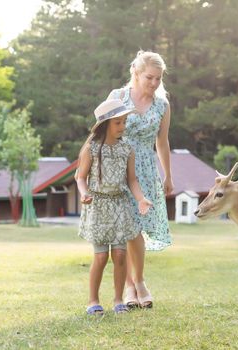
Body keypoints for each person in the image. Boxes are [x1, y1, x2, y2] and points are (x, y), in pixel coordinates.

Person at [107, 50, 173, 309]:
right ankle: (133, 286)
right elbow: (104, 132)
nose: (154, 83)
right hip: (119, 168)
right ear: (135, 73)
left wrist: (168, 174)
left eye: (158, 78)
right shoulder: (117, 97)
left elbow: (162, 142)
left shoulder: (162, 105)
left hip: (145, 170)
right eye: (149, 78)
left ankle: (136, 283)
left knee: (138, 228)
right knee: (127, 228)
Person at [76, 99, 153, 315]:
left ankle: (119, 300)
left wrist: (141, 199)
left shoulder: (126, 149)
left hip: (119, 204)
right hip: (98, 205)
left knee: (120, 255)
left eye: (124, 122)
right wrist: (84, 193)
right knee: (101, 257)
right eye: (118, 122)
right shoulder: (91, 149)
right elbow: (81, 178)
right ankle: (93, 301)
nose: (122, 127)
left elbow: (132, 181)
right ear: (105, 124)